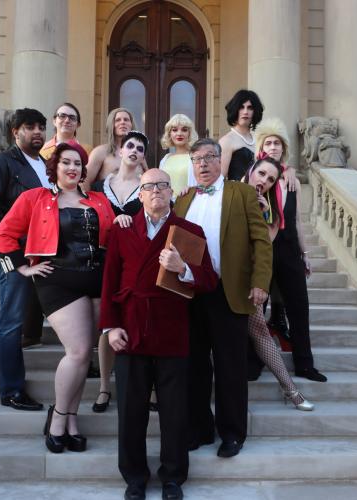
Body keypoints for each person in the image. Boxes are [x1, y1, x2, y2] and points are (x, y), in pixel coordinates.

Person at [101, 168, 218, 500]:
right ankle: (134, 478)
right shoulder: (123, 231)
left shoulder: (188, 231)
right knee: (131, 411)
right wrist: (111, 328)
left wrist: (184, 268)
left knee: (174, 410)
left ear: (171, 193)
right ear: (139, 194)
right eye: (149, 187)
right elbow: (109, 283)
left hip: (172, 331)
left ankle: (172, 478)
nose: (156, 191)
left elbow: (209, 280)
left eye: (163, 186)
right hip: (130, 332)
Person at [0, 141, 116, 453]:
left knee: (84, 356)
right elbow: (2, 235)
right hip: (58, 281)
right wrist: (20, 267)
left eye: (78, 163)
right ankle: (58, 416)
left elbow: (114, 237)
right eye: (66, 163)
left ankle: (72, 418)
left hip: (97, 280)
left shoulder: (100, 201)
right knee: (76, 353)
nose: (73, 168)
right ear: (55, 168)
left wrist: (125, 221)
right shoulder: (35, 198)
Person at [174, 138, 273, 458]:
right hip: (190, 292)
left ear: (220, 161)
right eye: (196, 159)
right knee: (194, 366)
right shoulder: (184, 200)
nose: (202, 164)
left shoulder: (242, 193)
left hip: (230, 290)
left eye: (208, 158)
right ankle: (199, 428)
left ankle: (232, 433)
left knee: (231, 366)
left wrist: (260, 283)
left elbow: (261, 242)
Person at [0, 108, 50, 412]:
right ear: (15, 131)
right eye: (30, 127)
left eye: (41, 127)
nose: (37, 132)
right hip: (11, 255)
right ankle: (12, 390)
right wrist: (13, 256)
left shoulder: (46, 165)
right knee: (11, 320)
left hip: (40, 252)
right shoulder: (3, 162)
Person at [254, 119, 327, 383]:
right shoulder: (252, 174)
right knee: (257, 307)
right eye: (268, 143)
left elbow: (295, 220)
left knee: (299, 306)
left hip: (287, 248)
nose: (273, 147)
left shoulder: (289, 178)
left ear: (283, 148)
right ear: (261, 146)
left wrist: (304, 253)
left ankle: (304, 364)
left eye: (277, 143)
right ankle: (253, 362)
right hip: (260, 247)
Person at [244, 157, 317, 409]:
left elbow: (265, 248)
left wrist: (264, 212)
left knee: (260, 331)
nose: (263, 181)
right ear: (251, 170)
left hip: (249, 280)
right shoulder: (227, 190)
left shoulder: (270, 208)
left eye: (270, 179)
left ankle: (292, 391)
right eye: (261, 173)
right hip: (222, 279)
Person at [89, 130, 148, 414]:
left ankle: (146, 388)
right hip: (103, 260)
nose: (134, 150)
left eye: (139, 147)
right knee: (107, 322)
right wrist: (114, 220)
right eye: (130, 146)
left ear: (142, 156)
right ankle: (103, 387)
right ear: (120, 151)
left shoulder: (146, 187)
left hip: (135, 264)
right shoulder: (101, 186)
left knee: (136, 320)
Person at [84, 107, 138, 187]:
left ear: (131, 125)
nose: (123, 122)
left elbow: (149, 181)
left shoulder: (139, 153)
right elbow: (85, 182)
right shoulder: (100, 152)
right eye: (118, 120)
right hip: (106, 198)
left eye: (126, 120)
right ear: (111, 125)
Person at [218, 89, 263, 182]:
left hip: (260, 195)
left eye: (250, 108)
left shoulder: (260, 139)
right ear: (235, 109)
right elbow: (219, 179)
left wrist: (288, 171)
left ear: (255, 111)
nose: (245, 112)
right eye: (241, 107)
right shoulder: (227, 141)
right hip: (238, 194)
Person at [159, 114, 198, 197]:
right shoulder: (165, 159)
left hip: (188, 205)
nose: (179, 133)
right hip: (167, 206)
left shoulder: (196, 157)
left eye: (184, 130)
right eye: (175, 130)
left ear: (189, 133)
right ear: (169, 134)